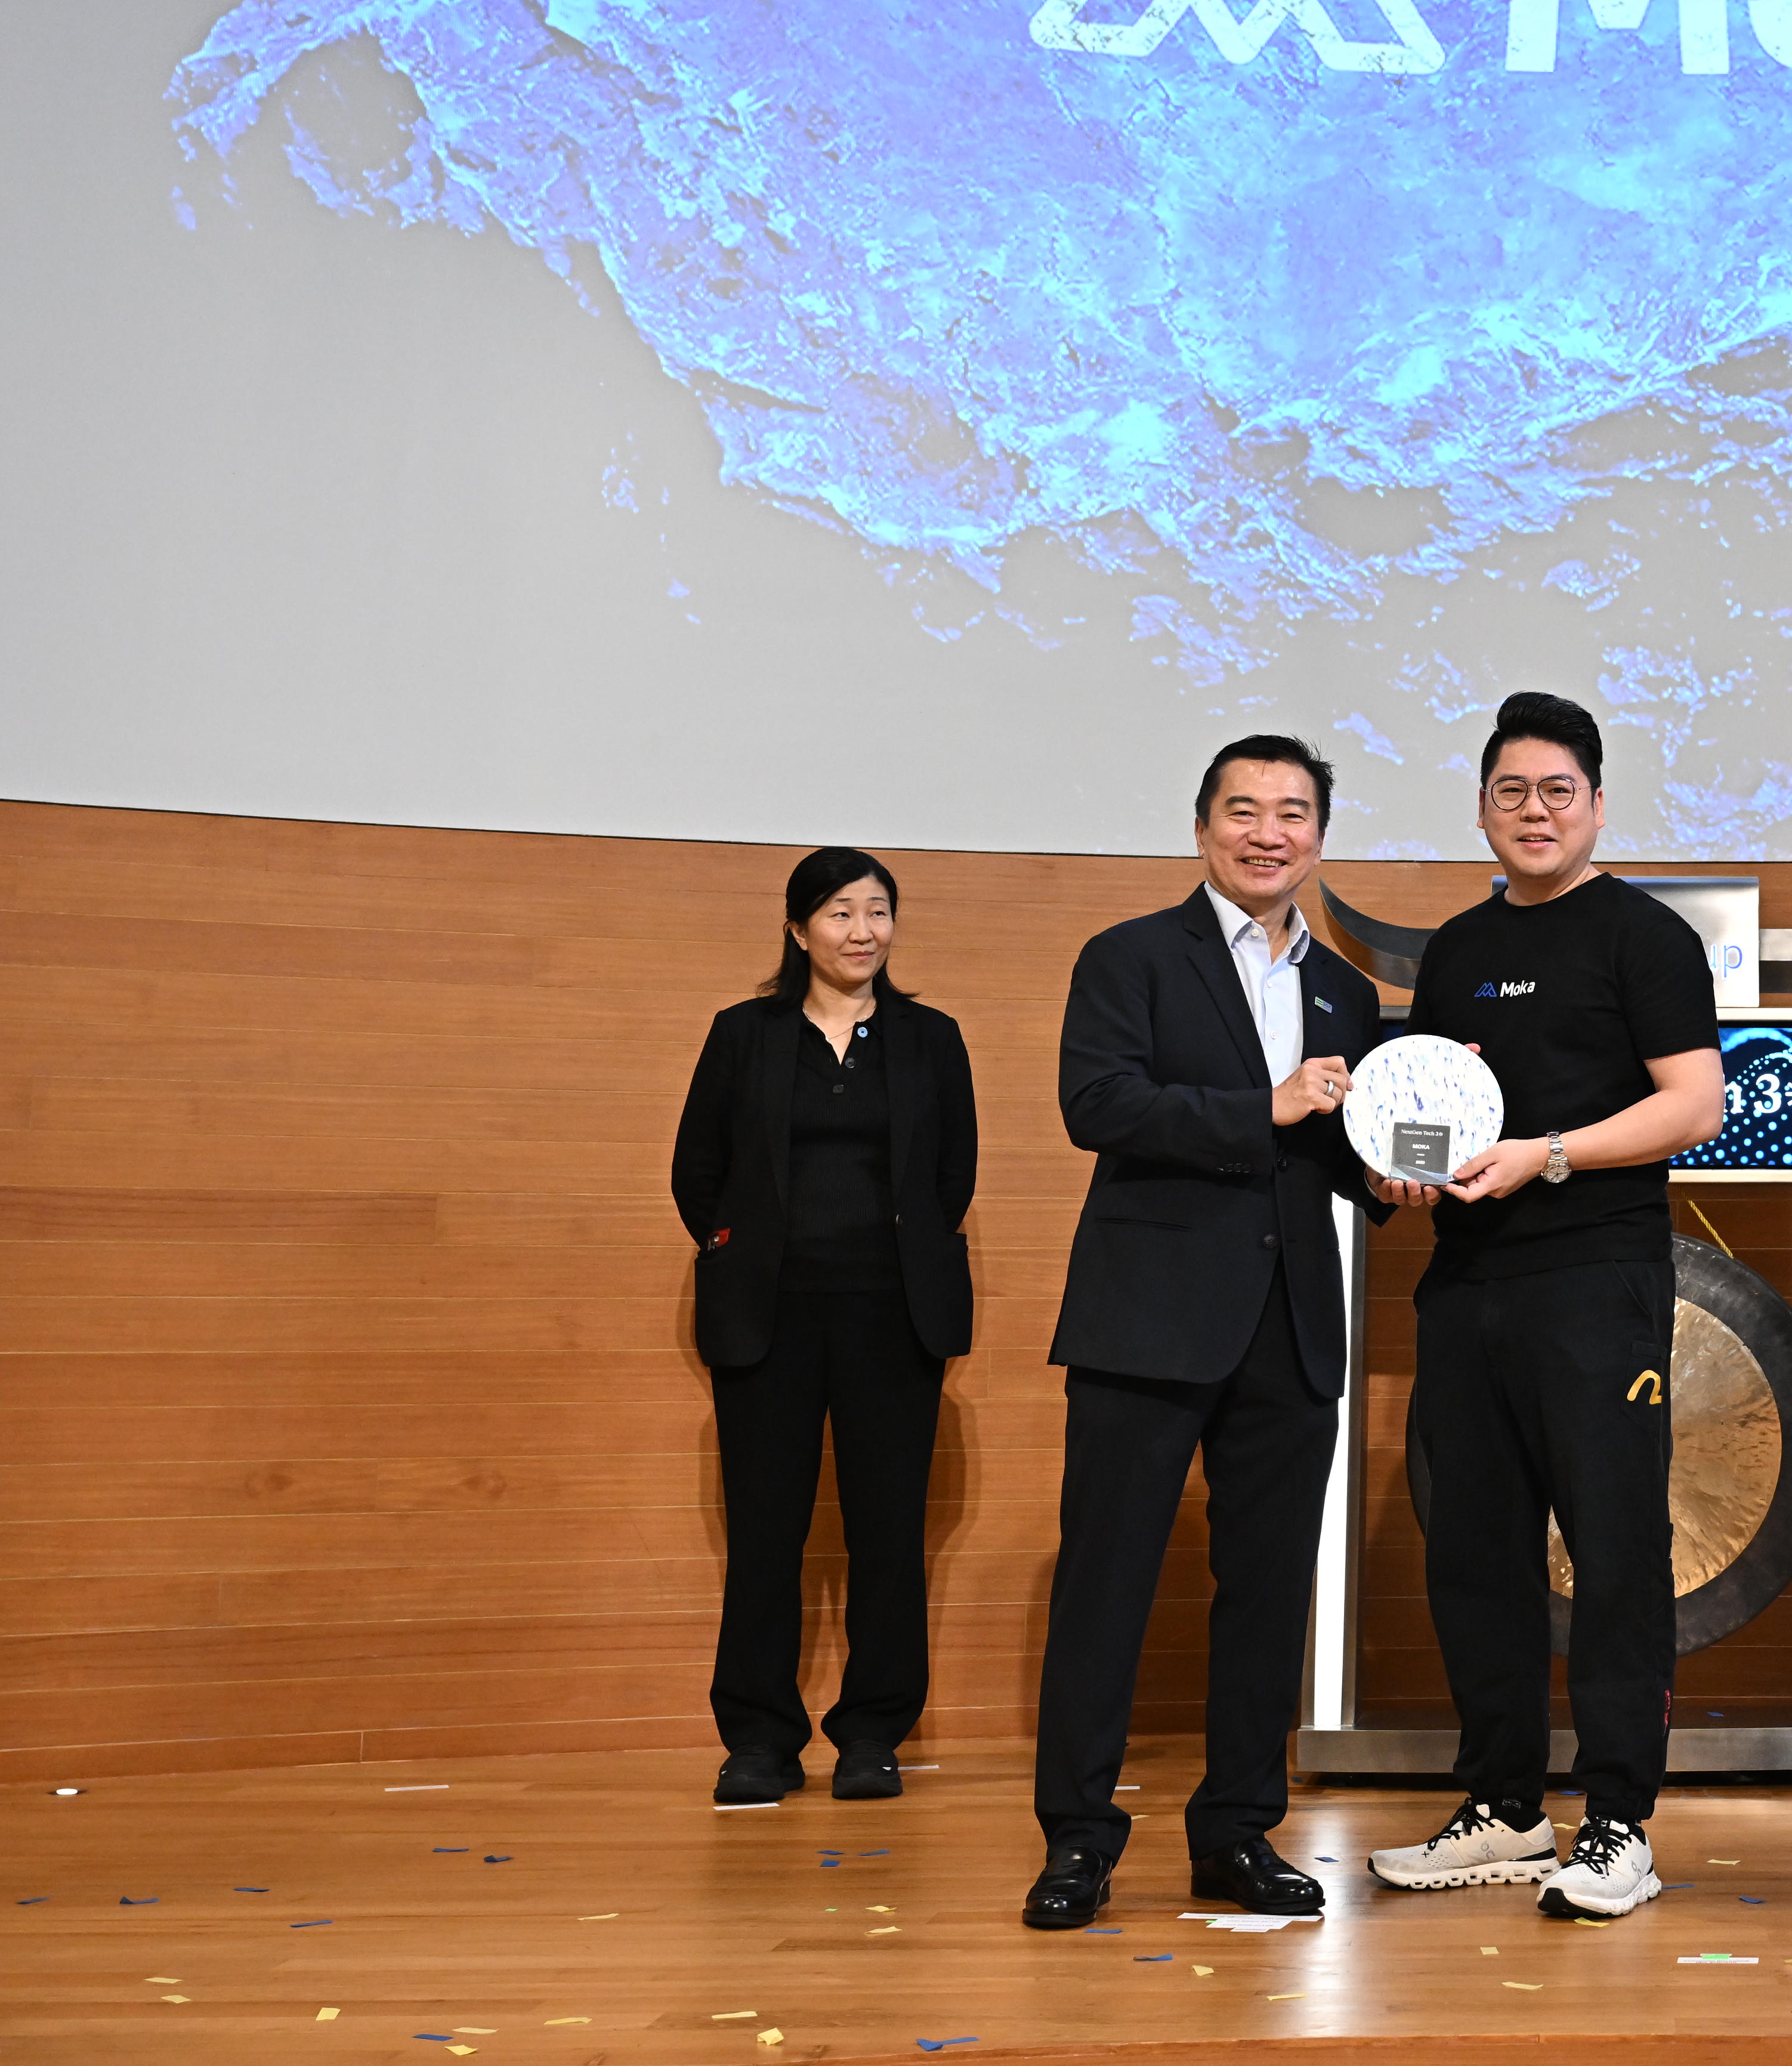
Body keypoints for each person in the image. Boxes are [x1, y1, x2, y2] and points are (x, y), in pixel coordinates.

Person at [1362, 691, 1723, 1923]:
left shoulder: (1644, 937)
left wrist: (1550, 1154)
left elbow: (1694, 1104)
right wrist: (1399, 1171)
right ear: (1481, 810)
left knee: (1615, 1551)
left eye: (1557, 791)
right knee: (1474, 1552)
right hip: (1467, 1284)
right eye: (1511, 792)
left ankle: (1619, 1822)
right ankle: (1506, 1804)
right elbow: (1425, 1109)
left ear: (1598, 806)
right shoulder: (1458, 949)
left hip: (1595, 1281)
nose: (1535, 811)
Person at [1019, 736, 1385, 1930]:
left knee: (1268, 1594)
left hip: (1290, 1326)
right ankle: (1078, 1841)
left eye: (1293, 812)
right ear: (1202, 828)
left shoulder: (1344, 992)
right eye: (1244, 810)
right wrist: (1260, 1107)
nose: (1268, 832)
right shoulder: (1129, 956)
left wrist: (1403, 1167)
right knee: (1106, 1585)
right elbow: (1098, 1104)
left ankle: (1236, 1829)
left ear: (1319, 835)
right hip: (1146, 1319)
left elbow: (1338, 1148)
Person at [671, 846, 978, 1808]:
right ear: (799, 929)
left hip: (894, 1316)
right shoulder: (744, 1034)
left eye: (877, 911)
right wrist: (741, 1249)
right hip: (769, 1316)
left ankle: (873, 1734)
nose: (862, 931)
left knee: (889, 1534)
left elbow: (954, 1175)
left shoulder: (932, 1038)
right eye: (841, 913)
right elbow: (696, 1170)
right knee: (767, 1533)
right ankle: (759, 1739)